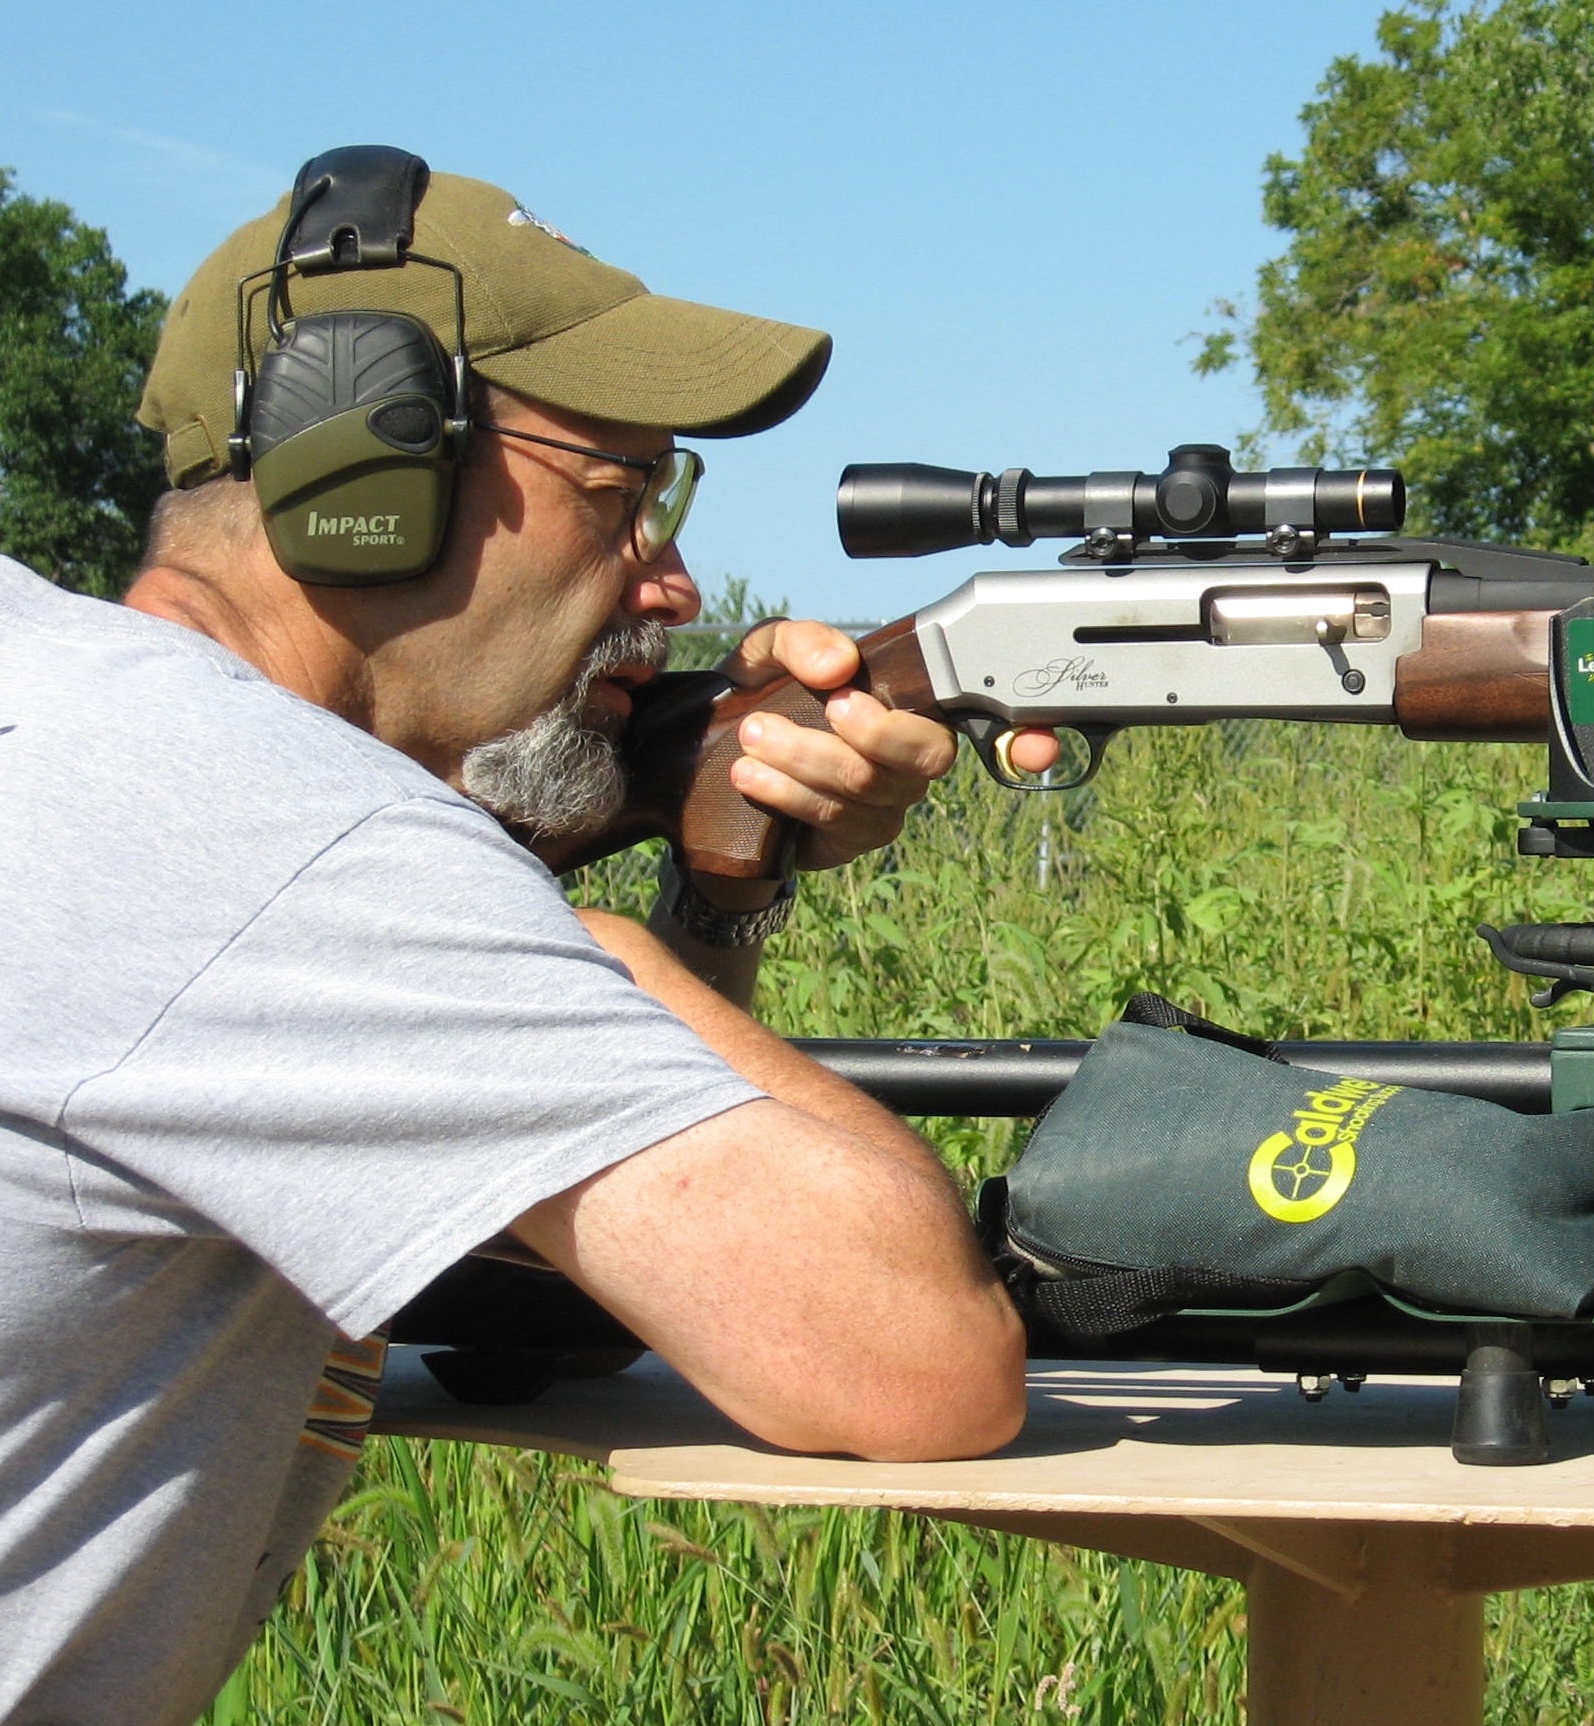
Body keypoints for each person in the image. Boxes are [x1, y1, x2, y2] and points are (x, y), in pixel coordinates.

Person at [0, 153, 1028, 1726]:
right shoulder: (272, 835)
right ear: (365, 469)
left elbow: (556, 1275)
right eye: (621, 496)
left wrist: (720, 883)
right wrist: (607, 955)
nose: (670, 581)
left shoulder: (67, 720)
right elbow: (909, 1362)